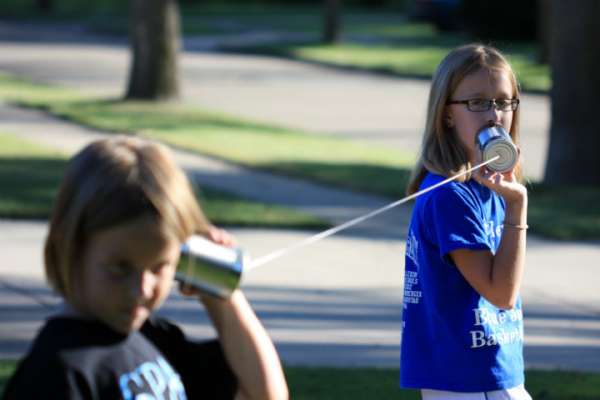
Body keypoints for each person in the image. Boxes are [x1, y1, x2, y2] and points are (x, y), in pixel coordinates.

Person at [2, 136, 289, 399]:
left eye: (159, 267)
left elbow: (265, 395)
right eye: (120, 268)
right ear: (70, 247)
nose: (141, 289)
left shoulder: (152, 340)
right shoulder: (58, 373)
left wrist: (220, 292)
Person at [400, 44, 531, 399]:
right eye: (477, 103)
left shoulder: (488, 187)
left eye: (504, 102)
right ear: (447, 114)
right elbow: (501, 293)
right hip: (470, 380)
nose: (494, 115)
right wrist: (518, 208)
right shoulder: (451, 196)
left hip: (488, 374)